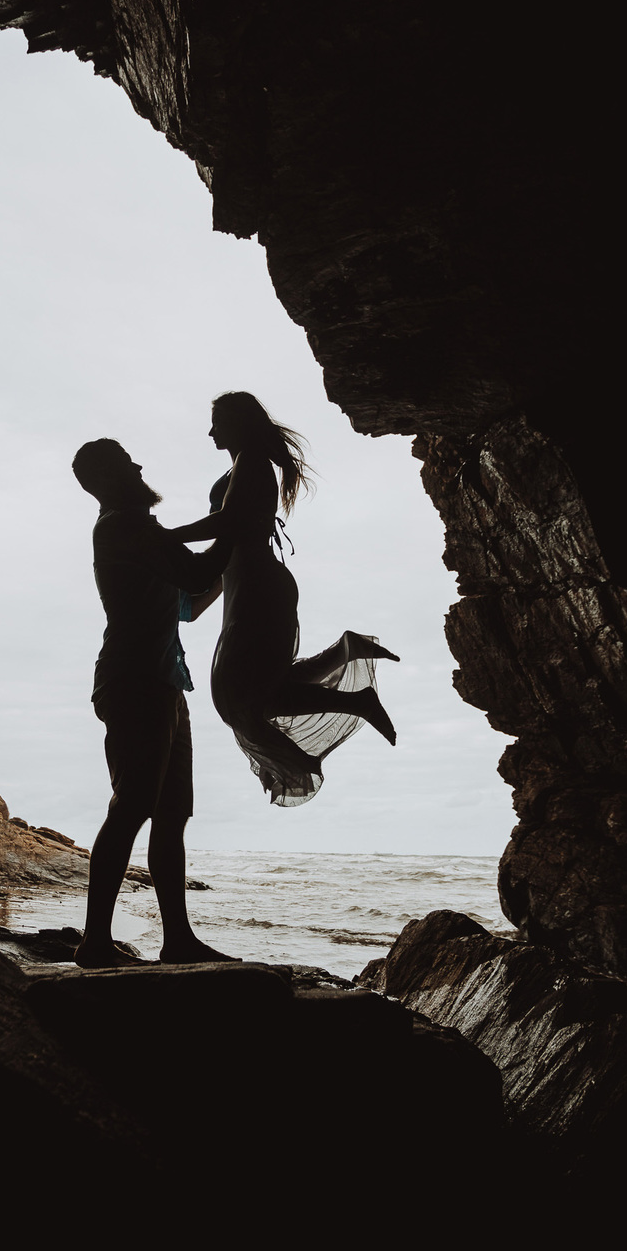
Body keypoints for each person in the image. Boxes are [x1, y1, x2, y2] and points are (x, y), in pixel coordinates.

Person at [168, 391, 399, 807]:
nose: (210, 431)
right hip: (248, 583)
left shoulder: (252, 460)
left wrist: (164, 538)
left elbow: (229, 522)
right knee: (248, 690)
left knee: (238, 696)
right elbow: (228, 535)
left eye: (217, 421)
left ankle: (354, 695)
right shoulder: (247, 464)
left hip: (257, 583)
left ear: (238, 422)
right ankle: (345, 661)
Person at [71, 438, 233, 969]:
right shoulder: (121, 525)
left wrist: (226, 552)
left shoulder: (141, 533)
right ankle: (95, 942)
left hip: (162, 683)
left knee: (171, 812)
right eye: (126, 462)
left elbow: (186, 602)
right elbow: (192, 571)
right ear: (108, 478)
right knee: (134, 805)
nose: (139, 466)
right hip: (134, 681)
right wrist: (236, 527)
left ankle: (177, 940)